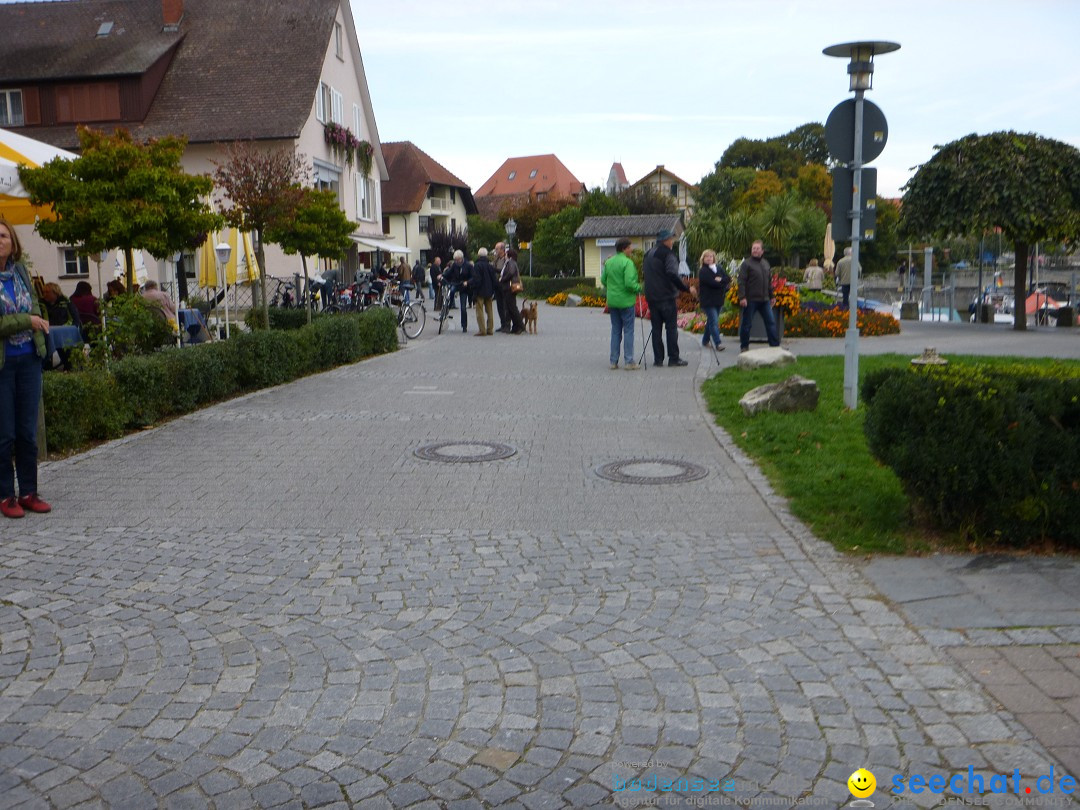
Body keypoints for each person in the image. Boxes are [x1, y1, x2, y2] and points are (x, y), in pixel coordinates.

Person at [0, 217, 52, 518]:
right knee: (5, 433)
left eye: (4, 236)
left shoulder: (19, 271)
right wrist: (28, 321)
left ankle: (29, 492)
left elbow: (33, 304)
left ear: (13, 242)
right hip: (4, 364)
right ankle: (6, 495)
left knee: (27, 432)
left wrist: (37, 322)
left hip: (29, 357)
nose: (1, 240)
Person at [643, 228, 690, 366]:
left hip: (652, 297)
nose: (672, 242)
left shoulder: (648, 254)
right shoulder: (668, 254)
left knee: (656, 329)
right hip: (666, 296)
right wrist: (684, 288)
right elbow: (672, 273)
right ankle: (673, 358)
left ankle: (658, 359)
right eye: (671, 239)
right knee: (671, 328)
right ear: (666, 241)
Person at [601, 237, 642, 369]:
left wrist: (613, 288)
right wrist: (639, 288)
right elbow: (629, 283)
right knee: (628, 331)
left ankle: (613, 361)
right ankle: (629, 361)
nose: (631, 250)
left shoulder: (609, 262)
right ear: (624, 249)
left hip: (613, 301)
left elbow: (603, 280)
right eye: (630, 247)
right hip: (626, 301)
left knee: (615, 331)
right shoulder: (627, 263)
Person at [737, 239, 780, 352]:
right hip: (750, 300)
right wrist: (742, 297)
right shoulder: (746, 263)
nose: (755, 250)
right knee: (747, 324)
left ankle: (775, 346)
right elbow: (741, 281)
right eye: (753, 248)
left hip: (764, 300)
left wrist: (772, 296)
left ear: (762, 251)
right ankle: (744, 346)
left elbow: (768, 282)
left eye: (757, 248)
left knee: (770, 322)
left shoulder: (766, 263)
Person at [697, 249, 729, 352]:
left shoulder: (719, 268)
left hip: (718, 299)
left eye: (711, 256)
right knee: (714, 321)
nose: (709, 258)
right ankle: (718, 343)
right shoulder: (703, 271)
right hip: (708, 301)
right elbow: (712, 283)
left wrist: (721, 280)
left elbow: (728, 278)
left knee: (711, 321)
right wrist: (721, 282)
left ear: (714, 258)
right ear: (703, 259)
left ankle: (705, 340)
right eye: (707, 257)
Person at [441, 250, 473, 332]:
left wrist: (467, 282)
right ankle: (449, 305)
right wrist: (442, 275)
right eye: (455, 259)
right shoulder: (454, 265)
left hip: (464, 286)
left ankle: (464, 325)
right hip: (455, 283)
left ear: (462, 258)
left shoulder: (468, 265)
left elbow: (473, 277)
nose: (456, 261)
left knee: (463, 307)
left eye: (458, 259)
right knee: (451, 291)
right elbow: (448, 273)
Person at [471, 248, 498, 336]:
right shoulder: (490, 266)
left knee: (479, 311)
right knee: (489, 310)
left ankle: (482, 330)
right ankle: (490, 329)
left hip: (480, 292)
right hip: (489, 291)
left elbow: (476, 280)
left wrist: (474, 292)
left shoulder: (477, 265)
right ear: (486, 255)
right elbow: (494, 279)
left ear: (478, 255)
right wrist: (494, 290)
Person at [500, 248, 526, 334]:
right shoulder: (512, 262)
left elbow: (511, 273)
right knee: (510, 308)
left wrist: (502, 279)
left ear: (509, 255)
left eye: (506, 254)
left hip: (509, 287)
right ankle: (516, 327)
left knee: (512, 308)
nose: (505, 255)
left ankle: (521, 326)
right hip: (509, 287)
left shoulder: (510, 262)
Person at [493, 241, 509, 332]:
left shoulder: (506, 259)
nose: (496, 251)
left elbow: (504, 271)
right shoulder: (496, 259)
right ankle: (502, 324)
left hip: (504, 285)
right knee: (499, 306)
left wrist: (494, 269)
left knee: (505, 305)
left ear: (502, 249)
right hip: (497, 285)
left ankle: (507, 324)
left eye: (497, 249)